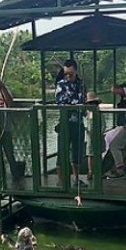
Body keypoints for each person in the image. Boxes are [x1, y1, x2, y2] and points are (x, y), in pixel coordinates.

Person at [55, 58, 87, 187]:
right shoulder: (61, 84)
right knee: (62, 151)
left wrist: (81, 104)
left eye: (71, 74)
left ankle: (76, 178)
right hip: (64, 122)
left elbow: (84, 100)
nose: (68, 76)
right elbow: (61, 101)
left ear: (76, 71)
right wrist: (76, 103)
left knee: (77, 152)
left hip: (78, 122)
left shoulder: (81, 84)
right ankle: (60, 180)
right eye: (66, 74)